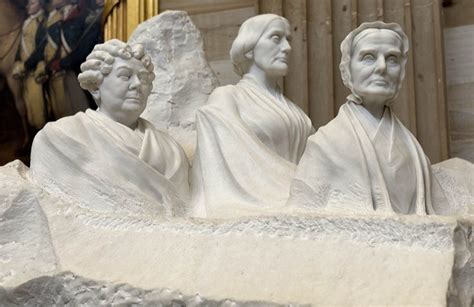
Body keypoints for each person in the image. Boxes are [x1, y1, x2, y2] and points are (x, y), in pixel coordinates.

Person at [288, 21, 435, 215]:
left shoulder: (413, 150)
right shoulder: (325, 145)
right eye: (368, 57)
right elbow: (301, 216)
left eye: (392, 59)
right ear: (348, 69)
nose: (382, 67)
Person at [30, 39, 190, 217]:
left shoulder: (171, 150)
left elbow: (187, 209)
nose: (137, 84)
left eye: (143, 78)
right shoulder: (61, 138)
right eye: (125, 76)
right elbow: (51, 212)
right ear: (96, 87)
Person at [190, 14, 314, 218]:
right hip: (252, 207)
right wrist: (299, 188)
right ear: (249, 49)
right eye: (276, 38)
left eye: (288, 40)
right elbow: (219, 166)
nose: (287, 48)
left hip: (298, 209)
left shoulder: (297, 113)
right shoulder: (228, 97)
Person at [12, 0, 48, 129]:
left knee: (39, 111)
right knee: (31, 111)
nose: (28, 6)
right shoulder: (27, 22)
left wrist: (25, 66)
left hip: (35, 71)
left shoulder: (43, 22)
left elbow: (41, 50)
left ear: (40, 5)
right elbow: (21, 47)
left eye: (32, 3)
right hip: (25, 73)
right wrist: (17, 61)